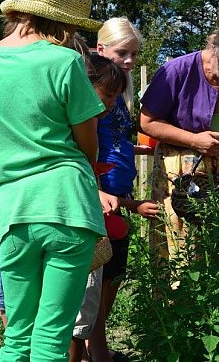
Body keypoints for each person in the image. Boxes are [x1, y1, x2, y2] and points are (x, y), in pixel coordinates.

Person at [0, 0, 108, 360]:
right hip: (67, 207)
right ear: (68, 22)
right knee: (51, 337)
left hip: (11, 212)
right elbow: (88, 147)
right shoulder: (65, 63)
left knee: (16, 335)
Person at [139, 1, 219, 260]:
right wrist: (194, 140)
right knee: (177, 254)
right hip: (176, 179)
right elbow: (147, 122)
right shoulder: (177, 70)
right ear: (214, 48)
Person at [87, 17, 159, 362]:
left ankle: (97, 347)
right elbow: (87, 149)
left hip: (120, 192)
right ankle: (96, 351)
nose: (130, 61)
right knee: (96, 282)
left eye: (134, 54)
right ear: (100, 50)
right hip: (103, 196)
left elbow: (115, 140)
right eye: (123, 53)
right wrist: (105, 192)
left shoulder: (121, 90)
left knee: (112, 277)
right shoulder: (95, 89)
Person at [69, 52, 127, 362]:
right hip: (76, 229)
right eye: (107, 95)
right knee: (73, 317)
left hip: (88, 226)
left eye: (115, 97)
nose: (111, 104)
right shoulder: (77, 124)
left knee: (81, 316)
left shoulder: (93, 121)